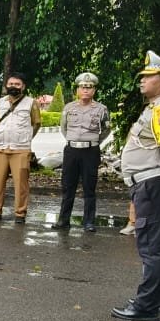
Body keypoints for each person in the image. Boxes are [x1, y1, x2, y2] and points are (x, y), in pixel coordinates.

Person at [111, 51, 160, 321]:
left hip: (154, 184)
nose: (142, 81)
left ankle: (146, 306)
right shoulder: (157, 107)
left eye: (149, 76)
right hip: (154, 183)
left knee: (152, 246)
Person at [55, 72, 111, 232]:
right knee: (68, 186)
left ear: (94, 90)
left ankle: (88, 222)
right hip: (72, 150)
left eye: (89, 87)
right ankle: (63, 220)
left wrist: (93, 141)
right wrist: (73, 140)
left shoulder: (101, 109)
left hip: (90, 151)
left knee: (89, 187)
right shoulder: (68, 107)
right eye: (82, 87)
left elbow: (106, 129)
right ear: (77, 90)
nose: (85, 90)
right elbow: (64, 128)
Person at [0, 73, 40, 223]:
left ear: (23, 86)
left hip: (21, 150)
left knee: (21, 184)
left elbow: (36, 124)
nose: (13, 86)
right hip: (1, 148)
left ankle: (20, 214)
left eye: (17, 84)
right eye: (11, 84)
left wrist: (25, 138)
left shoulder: (31, 103)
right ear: (6, 85)